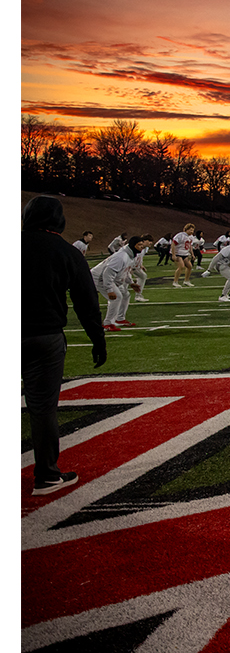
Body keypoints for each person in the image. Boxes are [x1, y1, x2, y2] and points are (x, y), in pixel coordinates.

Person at [22, 196, 107, 495]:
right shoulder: (66, 251)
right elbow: (86, 301)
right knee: (43, 408)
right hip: (45, 336)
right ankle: (46, 475)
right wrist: (97, 339)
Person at [91, 234, 143, 330]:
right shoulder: (122, 256)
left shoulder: (129, 254)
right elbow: (107, 273)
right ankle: (108, 323)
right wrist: (109, 289)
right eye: (139, 245)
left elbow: (125, 271)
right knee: (117, 296)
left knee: (125, 295)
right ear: (133, 245)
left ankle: (119, 319)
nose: (141, 247)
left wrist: (131, 282)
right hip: (99, 277)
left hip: (108, 278)